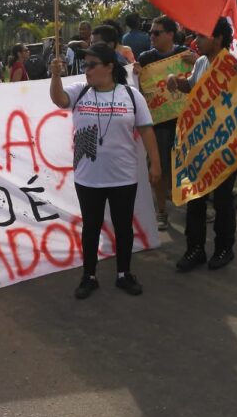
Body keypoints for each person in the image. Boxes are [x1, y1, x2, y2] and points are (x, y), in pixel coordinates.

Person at [49, 44, 161, 299]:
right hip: (88, 177)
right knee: (91, 226)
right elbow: (58, 99)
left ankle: (124, 273)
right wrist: (55, 75)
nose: (86, 70)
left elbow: (146, 130)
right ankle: (89, 275)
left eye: (92, 65)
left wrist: (156, 163)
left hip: (123, 176)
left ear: (109, 67)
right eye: (85, 65)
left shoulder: (131, 96)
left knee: (123, 226)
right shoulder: (80, 92)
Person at [167, 18, 237, 272]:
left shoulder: (236, 65)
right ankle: (195, 249)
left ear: (218, 38)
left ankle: (224, 248)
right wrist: (177, 82)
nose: (196, 41)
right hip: (200, 144)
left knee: (222, 200)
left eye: (202, 36)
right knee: (195, 199)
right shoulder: (200, 62)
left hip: (227, 145)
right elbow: (193, 87)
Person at [133, 15, 195, 231]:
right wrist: (136, 75)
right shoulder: (145, 58)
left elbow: (202, 78)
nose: (152, 36)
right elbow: (140, 91)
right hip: (157, 123)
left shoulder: (184, 55)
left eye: (156, 33)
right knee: (158, 168)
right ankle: (161, 211)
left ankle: (193, 207)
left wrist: (196, 62)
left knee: (187, 165)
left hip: (184, 120)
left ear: (170, 34)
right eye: (150, 32)